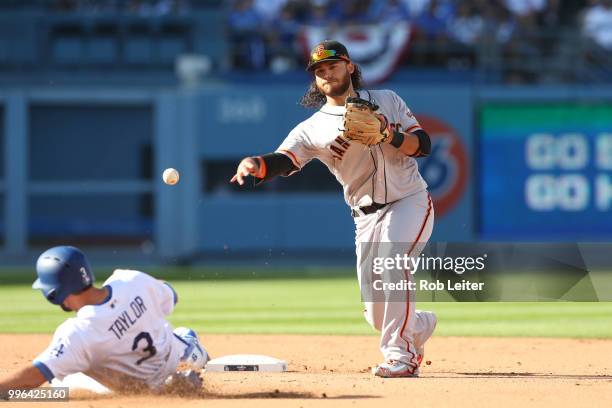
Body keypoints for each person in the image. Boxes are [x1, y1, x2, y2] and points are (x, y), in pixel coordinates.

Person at [231, 40, 437, 378]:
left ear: (350, 67)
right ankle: (417, 324)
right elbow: (286, 160)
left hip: (408, 200)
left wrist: (388, 135)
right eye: (319, 71)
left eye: (333, 66)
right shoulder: (313, 127)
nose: (326, 74)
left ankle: (401, 355)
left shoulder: (387, 100)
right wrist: (256, 163)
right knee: (375, 313)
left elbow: (423, 145)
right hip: (364, 217)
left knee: (392, 262)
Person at [0, 246, 209, 396]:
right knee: (173, 332)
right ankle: (189, 350)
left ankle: (169, 381)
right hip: (170, 359)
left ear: (54, 294)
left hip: (143, 390)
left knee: (59, 383)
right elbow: (171, 294)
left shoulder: (78, 333)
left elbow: (35, 375)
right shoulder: (130, 279)